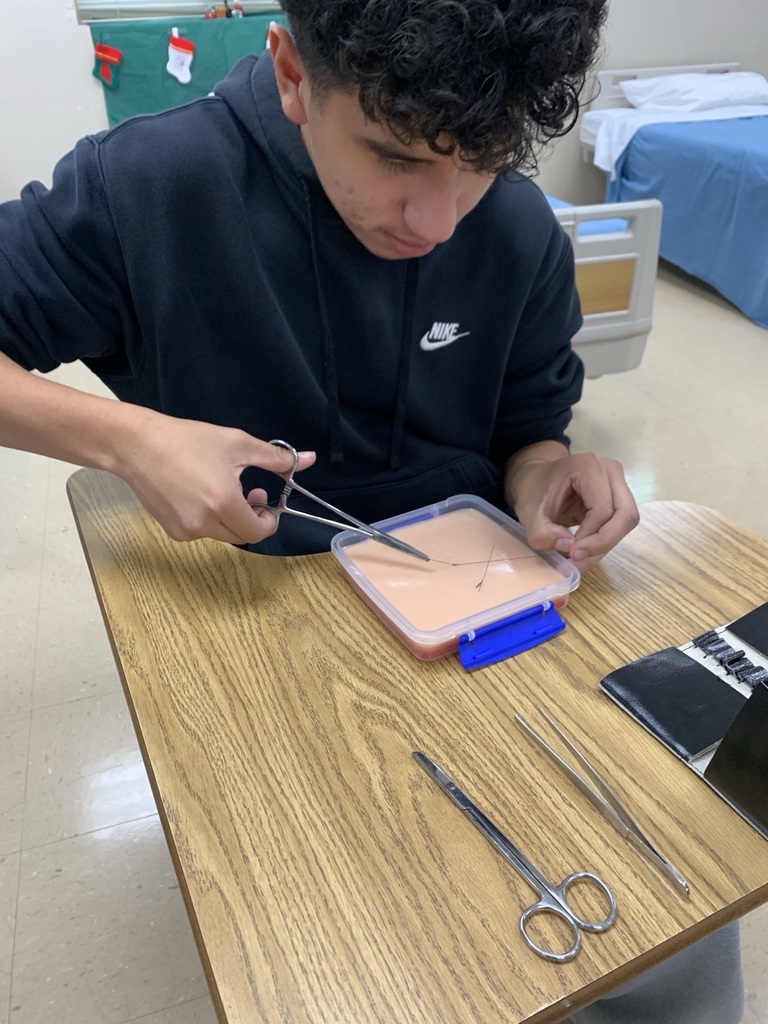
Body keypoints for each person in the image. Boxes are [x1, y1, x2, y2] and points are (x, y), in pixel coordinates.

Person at [0, 1, 744, 1021]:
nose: (437, 220)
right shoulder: (150, 186)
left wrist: (547, 478)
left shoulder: (515, 228)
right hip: (256, 619)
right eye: (395, 157)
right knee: (367, 956)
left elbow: (529, 430)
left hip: (476, 613)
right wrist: (130, 439)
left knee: (675, 909)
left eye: (480, 163)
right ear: (294, 75)